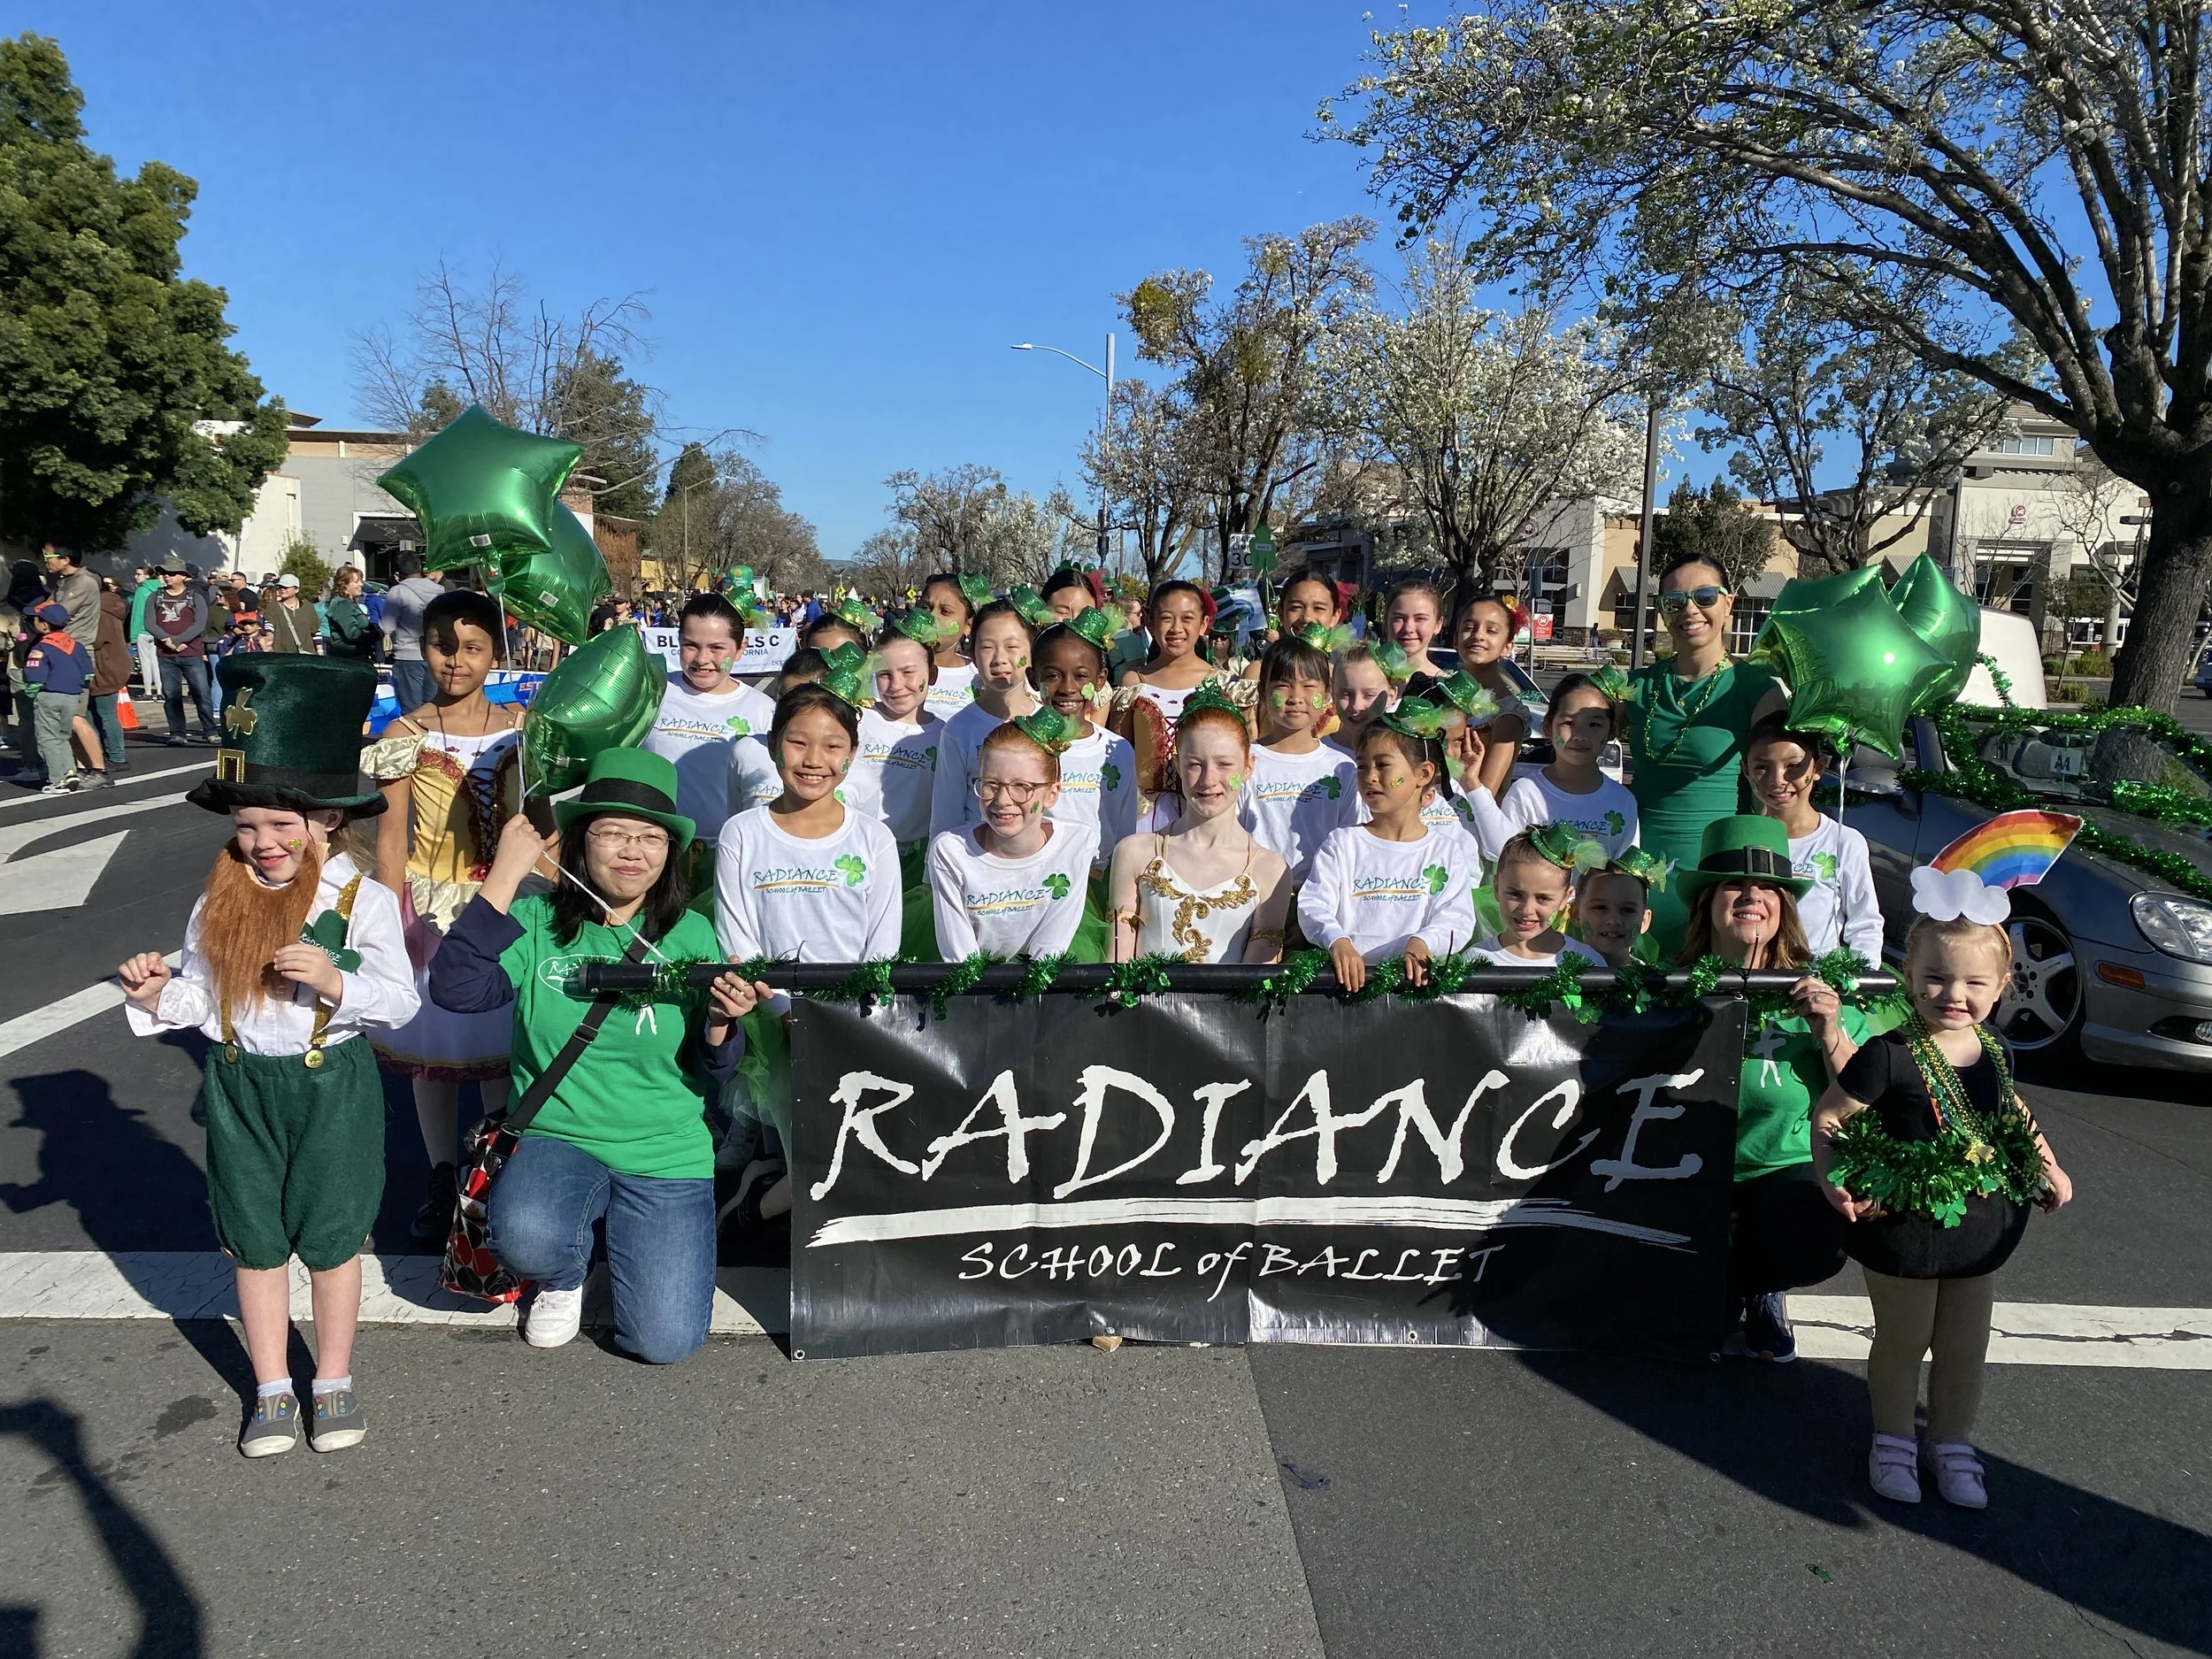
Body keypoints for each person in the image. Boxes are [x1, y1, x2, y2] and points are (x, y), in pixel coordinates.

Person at [116, 655, 416, 1455]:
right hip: (240, 1081)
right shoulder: (220, 894)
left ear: (324, 821)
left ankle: (336, 1379)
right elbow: (201, 999)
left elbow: (403, 1000)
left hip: (331, 1084)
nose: (262, 843)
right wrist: (152, 995)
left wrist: (335, 982)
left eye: (282, 826)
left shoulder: (361, 898)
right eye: (246, 827)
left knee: (331, 1236)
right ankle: (274, 1387)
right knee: (252, 1237)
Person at [426, 749, 763, 1360]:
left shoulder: (692, 933)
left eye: (649, 837)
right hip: (558, 1135)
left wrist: (721, 1021)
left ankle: (623, 1240)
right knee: (526, 1237)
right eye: (611, 833)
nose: (632, 850)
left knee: (664, 1343)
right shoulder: (534, 921)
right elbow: (455, 989)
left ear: (669, 852)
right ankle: (561, 1272)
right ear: (581, 843)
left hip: (665, 1148)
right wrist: (505, 871)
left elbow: (717, 1067)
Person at [1813, 905, 2072, 1509]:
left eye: (1974, 982)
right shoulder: (1888, 1053)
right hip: (1901, 1226)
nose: (1953, 993)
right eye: (1936, 976)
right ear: (1908, 973)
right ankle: (1895, 1438)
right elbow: (1829, 1116)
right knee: (1904, 1340)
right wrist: (1833, 1180)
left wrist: (2049, 1163)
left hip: (1978, 1228)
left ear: (2003, 986)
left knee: (1964, 1344)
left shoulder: (1995, 1051)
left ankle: (1952, 1441)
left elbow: (2011, 1112)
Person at [364, 590, 526, 1245]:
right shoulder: (404, 733)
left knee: (498, 1051)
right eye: (441, 645)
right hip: (426, 910)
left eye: (472, 647)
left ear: (495, 651)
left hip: (505, 902)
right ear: (421, 645)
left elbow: (537, 821)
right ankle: (440, 1175)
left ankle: (494, 1172)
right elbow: (390, 837)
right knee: (433, 1056)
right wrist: (384, 927)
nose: (456, 661)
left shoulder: (521, 724)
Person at [1675, 815, 1863, 1364]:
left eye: (1766, 889)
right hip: (1687, 1168)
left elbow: (1861, 1090)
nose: (1751, 896)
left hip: (1779, 1170)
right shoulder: (1666, 984)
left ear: (1783, 907)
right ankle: (1710, 1281)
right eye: (1735, 884)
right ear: (1707, 903)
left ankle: (1753, 1285)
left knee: (1824, 1225)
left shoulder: (1818, 987)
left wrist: (1828, 1029)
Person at [1627, 555, 1787, 954]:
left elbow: (1776, 792)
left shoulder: (1755, 690)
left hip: (1717, 874)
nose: (1690, 610)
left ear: (1729, 603)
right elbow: (1565, 721)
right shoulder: (1635, 686)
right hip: (1635, 870)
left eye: (1704, 596)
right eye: (1674, 601)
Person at [1298, 703, 1478, 989]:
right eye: (1362, 766)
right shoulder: (1342, 845)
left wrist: (1424, 942)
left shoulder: (1445, 852)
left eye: (1382, 765)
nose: (1370, 776)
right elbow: (1314, 905)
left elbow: (1457, 917)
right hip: (1346, 994)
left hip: (1416, 996)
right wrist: (1337, 941)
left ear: (1422, 774)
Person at [1109, 686, 1291, 964]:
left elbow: (1254, 989)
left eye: (1224, 764)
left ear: (1248, 767)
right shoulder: (1134, 854)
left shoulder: (1270, 871)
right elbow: (1117, 967)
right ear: (1177, 765)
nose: (1208, 780)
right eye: (1195, 764)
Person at [928, 710, 1100, 960]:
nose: (1002, 800)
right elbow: (960, 958)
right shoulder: (951, 851)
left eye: (1022, 787)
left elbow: (1052, 945)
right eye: (991, 785)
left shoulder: (1077, 844)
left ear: (1051, 793)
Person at [641, 593, 778, 867]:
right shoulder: (651, 691)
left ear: (741, 649)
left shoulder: (763, 710)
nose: (702, 659)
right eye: (691, 645)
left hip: (728, 855)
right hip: (655, 852)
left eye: (717, 648)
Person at [1742, 718, 1884, 963]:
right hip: (1751, 980)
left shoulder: (1843, 842)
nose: (1778, 780)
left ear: (1818, 768)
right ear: (1746, 770)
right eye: (1762, 768)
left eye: (1793, 766)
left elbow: (1865, 922)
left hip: (1817, 986)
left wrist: (1859, 985)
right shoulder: (1740, 837)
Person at [1109, 580, 1240, 832]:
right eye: (1167, 618)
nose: (1176, 628)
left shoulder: (1223, 683)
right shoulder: (1135, 682)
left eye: (1187, 619)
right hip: (1144, 816)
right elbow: (1120, 754)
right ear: (1150, 622)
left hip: (1208, 810)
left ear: (1204, 624)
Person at [1479, 672, 1638, 859]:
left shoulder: (1622, 800)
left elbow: (1626, 875)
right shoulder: (1526, 794)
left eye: (1594, 724)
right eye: (1569, 723)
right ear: (1548, 727)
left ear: (1612, 730)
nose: (1580, 735)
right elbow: (1505, 860)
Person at [1240, 635, 1357, 886]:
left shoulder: (1343, 768)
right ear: (1263, 691)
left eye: (1308, 686)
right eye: (1282, 685)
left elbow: (1351, 841)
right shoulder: (1244, 761)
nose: (1295, 697)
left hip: (1322, 897)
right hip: (1254, 896)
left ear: (1327, 694)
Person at [1029, 611, 1139, 870]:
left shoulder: (1118, 750)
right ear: (1034, 678)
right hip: (1039, 880)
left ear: (1100, 680)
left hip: (1100, 883)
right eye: (1053, 675)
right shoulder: (1021, 746)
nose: (1068, 688)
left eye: (1080, 676)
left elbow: (1125, 830)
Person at [929, 599, 1041, 839]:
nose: (999, 658)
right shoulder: (959, 729)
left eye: (1012, 647)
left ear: (1032, 652)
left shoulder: (1047, 722)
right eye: (987, 647)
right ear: (973, 655)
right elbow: (946, 813)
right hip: (976, 858)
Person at [1440, 592, 1529, 797]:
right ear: (1455, 639)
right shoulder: (1441, 693)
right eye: (1469, 628)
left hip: (1472, 816)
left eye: (1491, 630)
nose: (1478, 635)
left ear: (1508, 646)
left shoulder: (1507, 713)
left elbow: (1487, 792)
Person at [1479, 826, 1606, 966]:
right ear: (1497, 888)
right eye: (1515, 894)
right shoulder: (1476, 962)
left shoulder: (1587, 962)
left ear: (1565, 898)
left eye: (1543, 898)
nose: (1527, 910)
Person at [22, 604, 102, 794]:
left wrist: (31, 692)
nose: (34, 622)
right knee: (63, 736)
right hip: (72, 696)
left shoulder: (42, 647)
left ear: (45, 625)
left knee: (48, 738)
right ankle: (70, 772)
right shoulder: (77, 646)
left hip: (49, 696)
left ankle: (59, 779)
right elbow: (88, 674)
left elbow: (35, 674)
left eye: (37, 619)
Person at [147, 557, 217, 745]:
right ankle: (177, 733)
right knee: (172, 696)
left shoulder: (195, 597)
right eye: (164, 573)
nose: (167, 577)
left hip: (192, 653)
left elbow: (200, 624)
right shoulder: (155, 597)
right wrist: (167, 641)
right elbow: (149, 623)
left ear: (183, 576)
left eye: (171, 574)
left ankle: (210, 730)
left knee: (202, 693)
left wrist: (178, 640)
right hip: (166, 655)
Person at [380, 554, 449, 712]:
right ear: (420, 568)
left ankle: (415, 737)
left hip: (407, 655)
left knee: (411, 710)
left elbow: (387, 626)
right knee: (432, 707)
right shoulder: (439, 590)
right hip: (434, 654)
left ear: (398, 572)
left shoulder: (397, 592)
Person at [1572, 850, 1666, 966]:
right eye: (1601, 908)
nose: (1614, 920)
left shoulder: (1653, 982)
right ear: (1575, 913)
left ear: (1644, 921)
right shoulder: (1552, 976)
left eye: (1627, 910)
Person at [916, 572, 985, 718]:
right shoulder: (892, 670)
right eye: (926, 608)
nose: (932, 617)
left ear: (968, 625)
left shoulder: (979, 678)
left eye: (945, 611)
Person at [86, 580, 132, 777]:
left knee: (105, 714)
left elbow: (94, 639)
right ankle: (100, 752)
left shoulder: (99, 610)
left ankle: (117, 756)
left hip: (104, 668)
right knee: (92, 714)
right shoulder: (110, 606)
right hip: (111, 665)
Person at [1381, 576, 1449, 684]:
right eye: (1399, 618)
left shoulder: (1444, 686)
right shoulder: (1362, 672)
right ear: (1386, 620)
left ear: (1438, 624)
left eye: (1420, 618)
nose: (1408, 628)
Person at [42, 543, 100, 652]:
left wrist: (40, 618)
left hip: (75, 648)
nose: (45, 561)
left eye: (47, 557)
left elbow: (57, 615)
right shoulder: (64, 581)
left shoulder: (83, 582)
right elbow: (45, 606)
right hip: (60, 645)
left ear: (65, 560)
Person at [321, 566, 380, 663]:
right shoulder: (342, 604)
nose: (361, 584)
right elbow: (353, 635)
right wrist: (376, 634)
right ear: (344, 585)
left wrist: (371, 627)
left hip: (357, 657)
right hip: (350, 661)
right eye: (356, 582)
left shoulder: (350, 602)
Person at [264, 572, 319, 655]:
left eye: (286, 587)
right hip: (282, 654)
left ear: (297, 589)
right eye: (280, 587)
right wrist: (269, 636)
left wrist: (320, 650)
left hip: (306, 655)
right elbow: (269, 625)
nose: (282, 589)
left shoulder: (308, 607)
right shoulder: (273, 607)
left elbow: (316, 630)